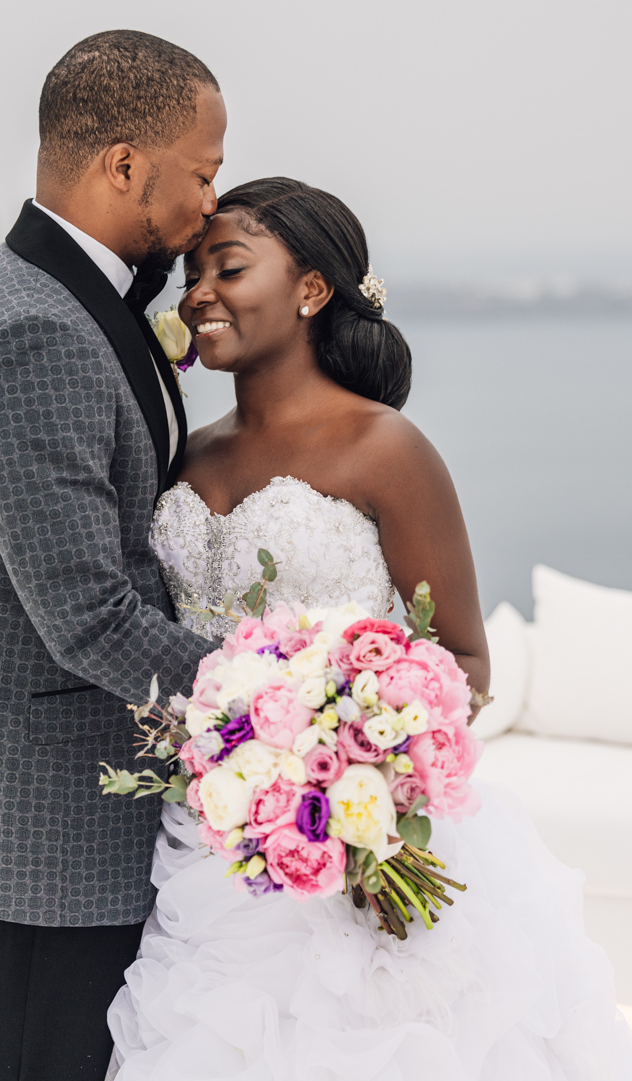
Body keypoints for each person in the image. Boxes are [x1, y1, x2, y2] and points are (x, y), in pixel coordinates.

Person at [108, 178, 632, 1078]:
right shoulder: (185, 456)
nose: (197, 293)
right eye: (190, 274)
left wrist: (353, 753)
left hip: (354, 840)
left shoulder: (385, 449)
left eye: (226, 267)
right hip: (206, 852)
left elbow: (464, 660)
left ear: (310, 291)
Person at [0, 30, 227, 1081]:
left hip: (93, 817)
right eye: (203, 175)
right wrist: (277, 701)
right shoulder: (32, 333)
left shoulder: (81, 301)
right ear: (123, 167)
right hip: (40, 833)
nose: (212, 205)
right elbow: (87, 617)